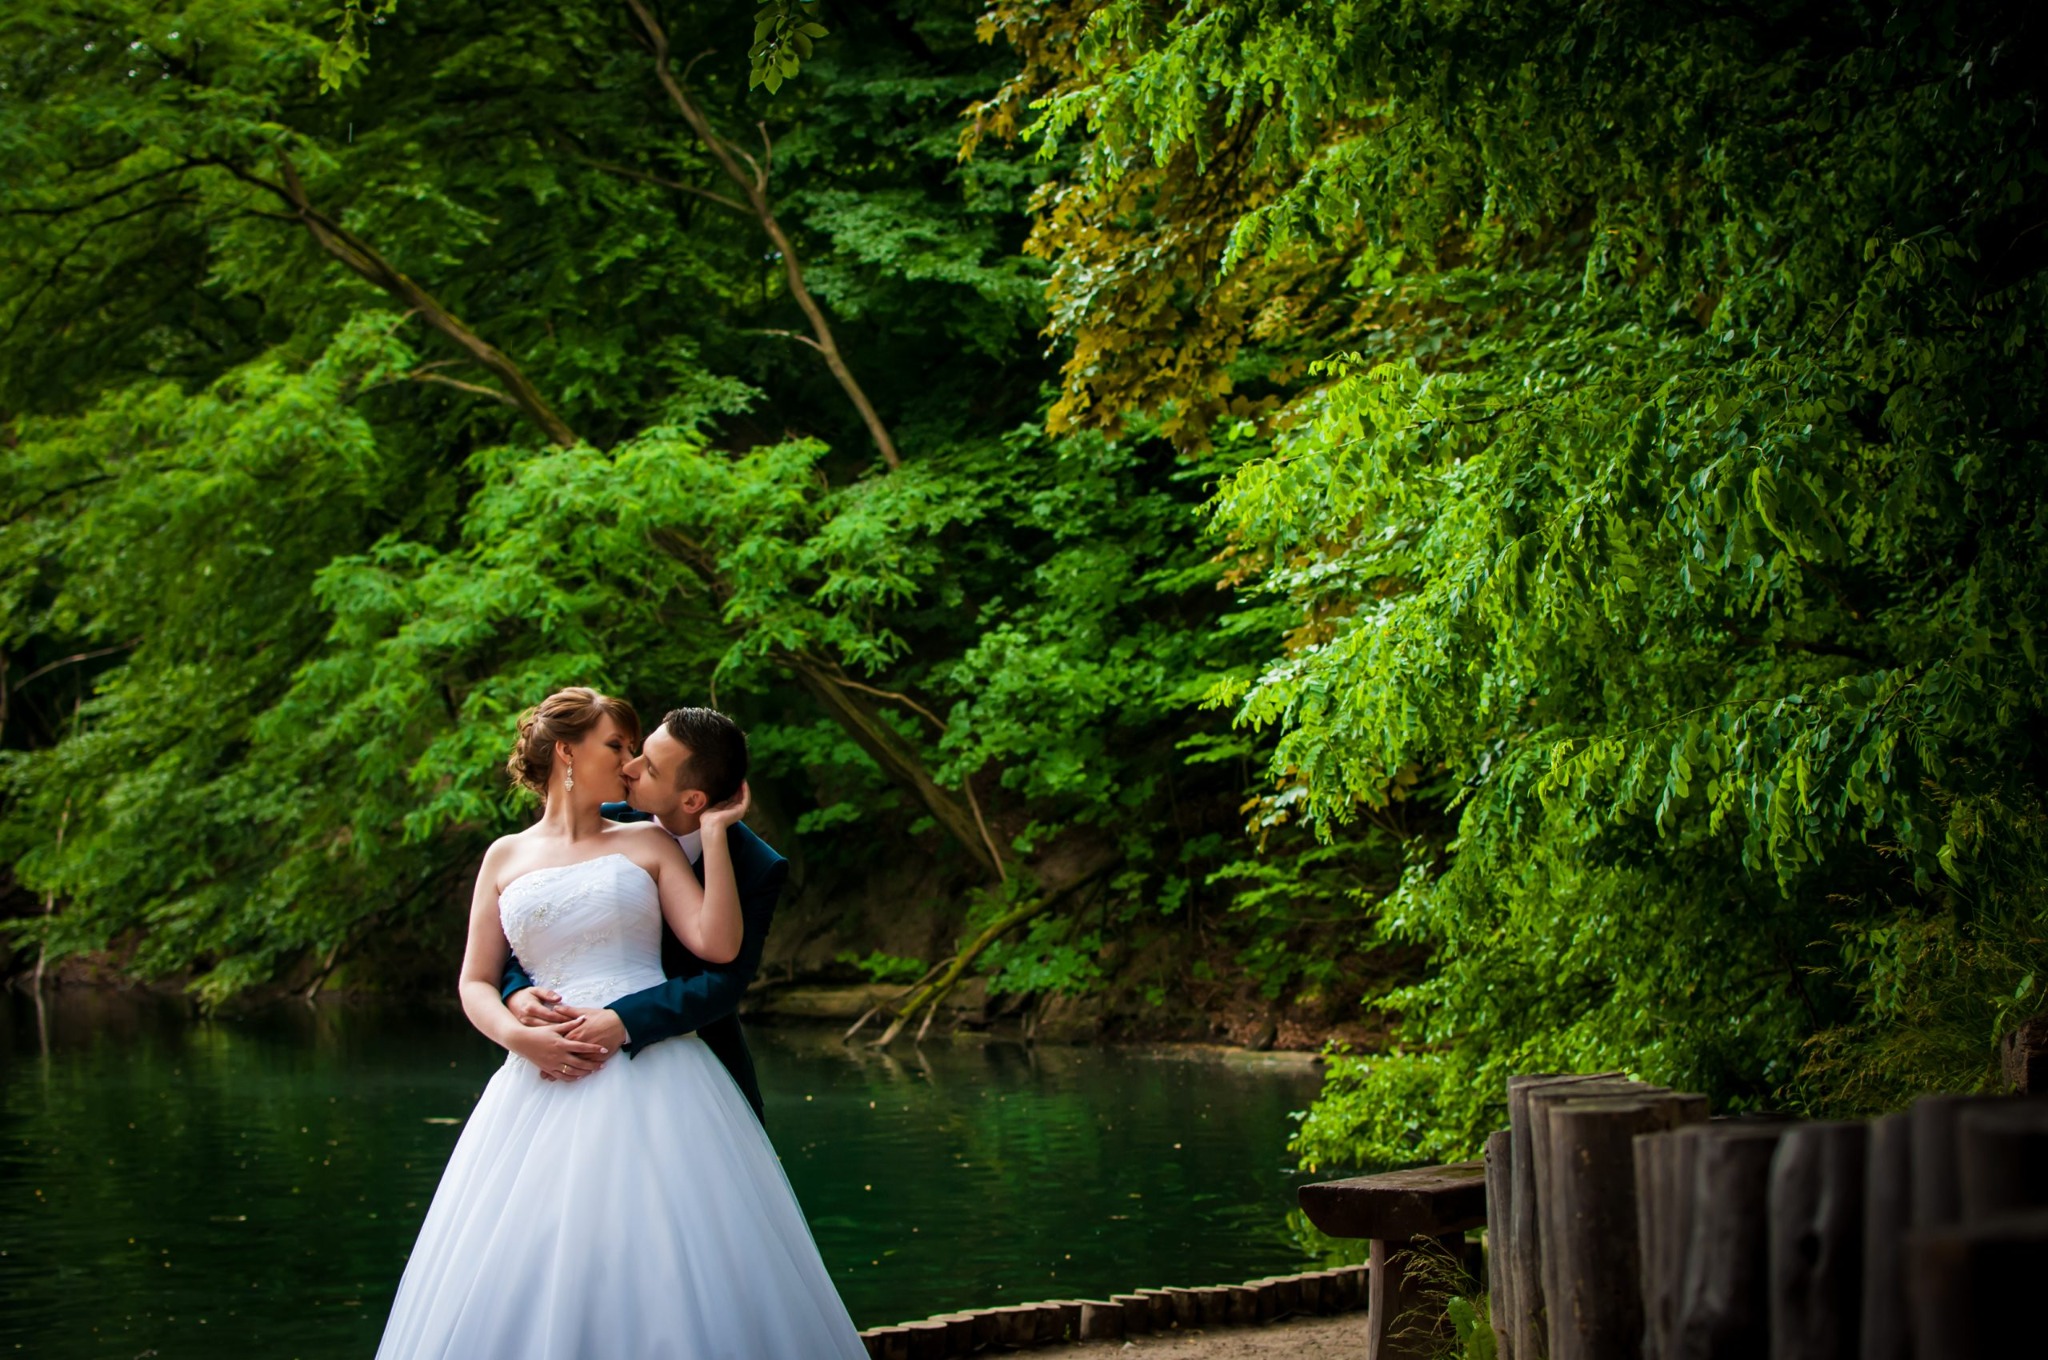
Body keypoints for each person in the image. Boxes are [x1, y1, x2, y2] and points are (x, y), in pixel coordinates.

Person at [375, 687, 865, 1359]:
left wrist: (715, 839)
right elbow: (482, 975)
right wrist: (518, 1022)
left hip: (659, 1067)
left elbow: (721, 969)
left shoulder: (655, 841)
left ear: (693, 797)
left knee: (673, 1247)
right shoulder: (507, 854)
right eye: (621, 749)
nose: (631, 765)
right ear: (566, 754)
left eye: (643, 759)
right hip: (539, 1070)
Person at [499, 706, 784, 1123]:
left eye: (648, 767)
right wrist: (517, 991)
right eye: (637, 750)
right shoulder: (605, 820)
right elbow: (541, 924)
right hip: (561, 1050)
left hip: (688, 1072)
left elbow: (725, 981)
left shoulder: (758, 865)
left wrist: (623, 1020)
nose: (628, 768)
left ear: (692, 799)